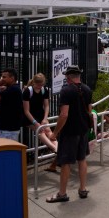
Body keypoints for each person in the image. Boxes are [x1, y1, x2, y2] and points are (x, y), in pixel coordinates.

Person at [46, 65, 92, 203]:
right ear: (79, 76)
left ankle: (62, 194)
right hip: (83, 130)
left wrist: (54, 133)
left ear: (68, 77)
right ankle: (83, 189)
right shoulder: (87, 89)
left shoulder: (66, 91)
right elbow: (89, 110)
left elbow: (64, 115)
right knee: (82, 159)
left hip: (70, 132)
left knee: (66, 162)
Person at [23, 73, 58, 172]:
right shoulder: (27, 91)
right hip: (29, 117)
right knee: (41, 131)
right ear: (34, 82)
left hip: (41, 115)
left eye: (41, 85)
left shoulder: (44, 90)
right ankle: (53, 148)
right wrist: (36, 123)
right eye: (38, 85)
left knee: (48, 130)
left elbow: (46, 106)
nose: (39, 86)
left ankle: (58, 148)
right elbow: (26, 111)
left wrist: (45, 118)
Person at [0, 68, 24, 141]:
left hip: (8, 131)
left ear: (12, 78)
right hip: (8, 129)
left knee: (6, 151)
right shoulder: (12, 88)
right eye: (2, 77)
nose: (2, 79)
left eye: (4, 77)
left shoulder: (13, 89)